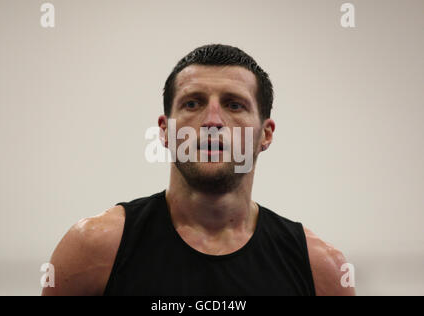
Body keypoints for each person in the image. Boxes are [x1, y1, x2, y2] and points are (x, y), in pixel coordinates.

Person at [42, 44, 355, 296]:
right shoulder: (95, 248)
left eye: (234, 105)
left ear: (266, 133)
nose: (212, 121)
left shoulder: (319, 269)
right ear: (165, 131)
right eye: (193, 104)